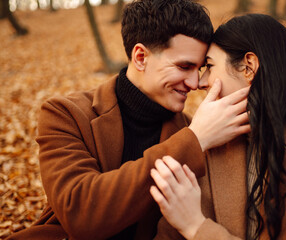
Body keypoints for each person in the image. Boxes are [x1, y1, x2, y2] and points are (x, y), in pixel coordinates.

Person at [6, 1, 251, 239]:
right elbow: (80, 214)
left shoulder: (189, 129)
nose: (195, 83)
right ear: (141, 57)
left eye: (198, 69)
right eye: (184, 66)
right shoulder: (65, 114)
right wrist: (195, 140)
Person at [150, 14, 286, 240]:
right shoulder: (211, 148)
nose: (200, 82)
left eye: (209, 66)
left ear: (249, 67)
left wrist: (197, 227)